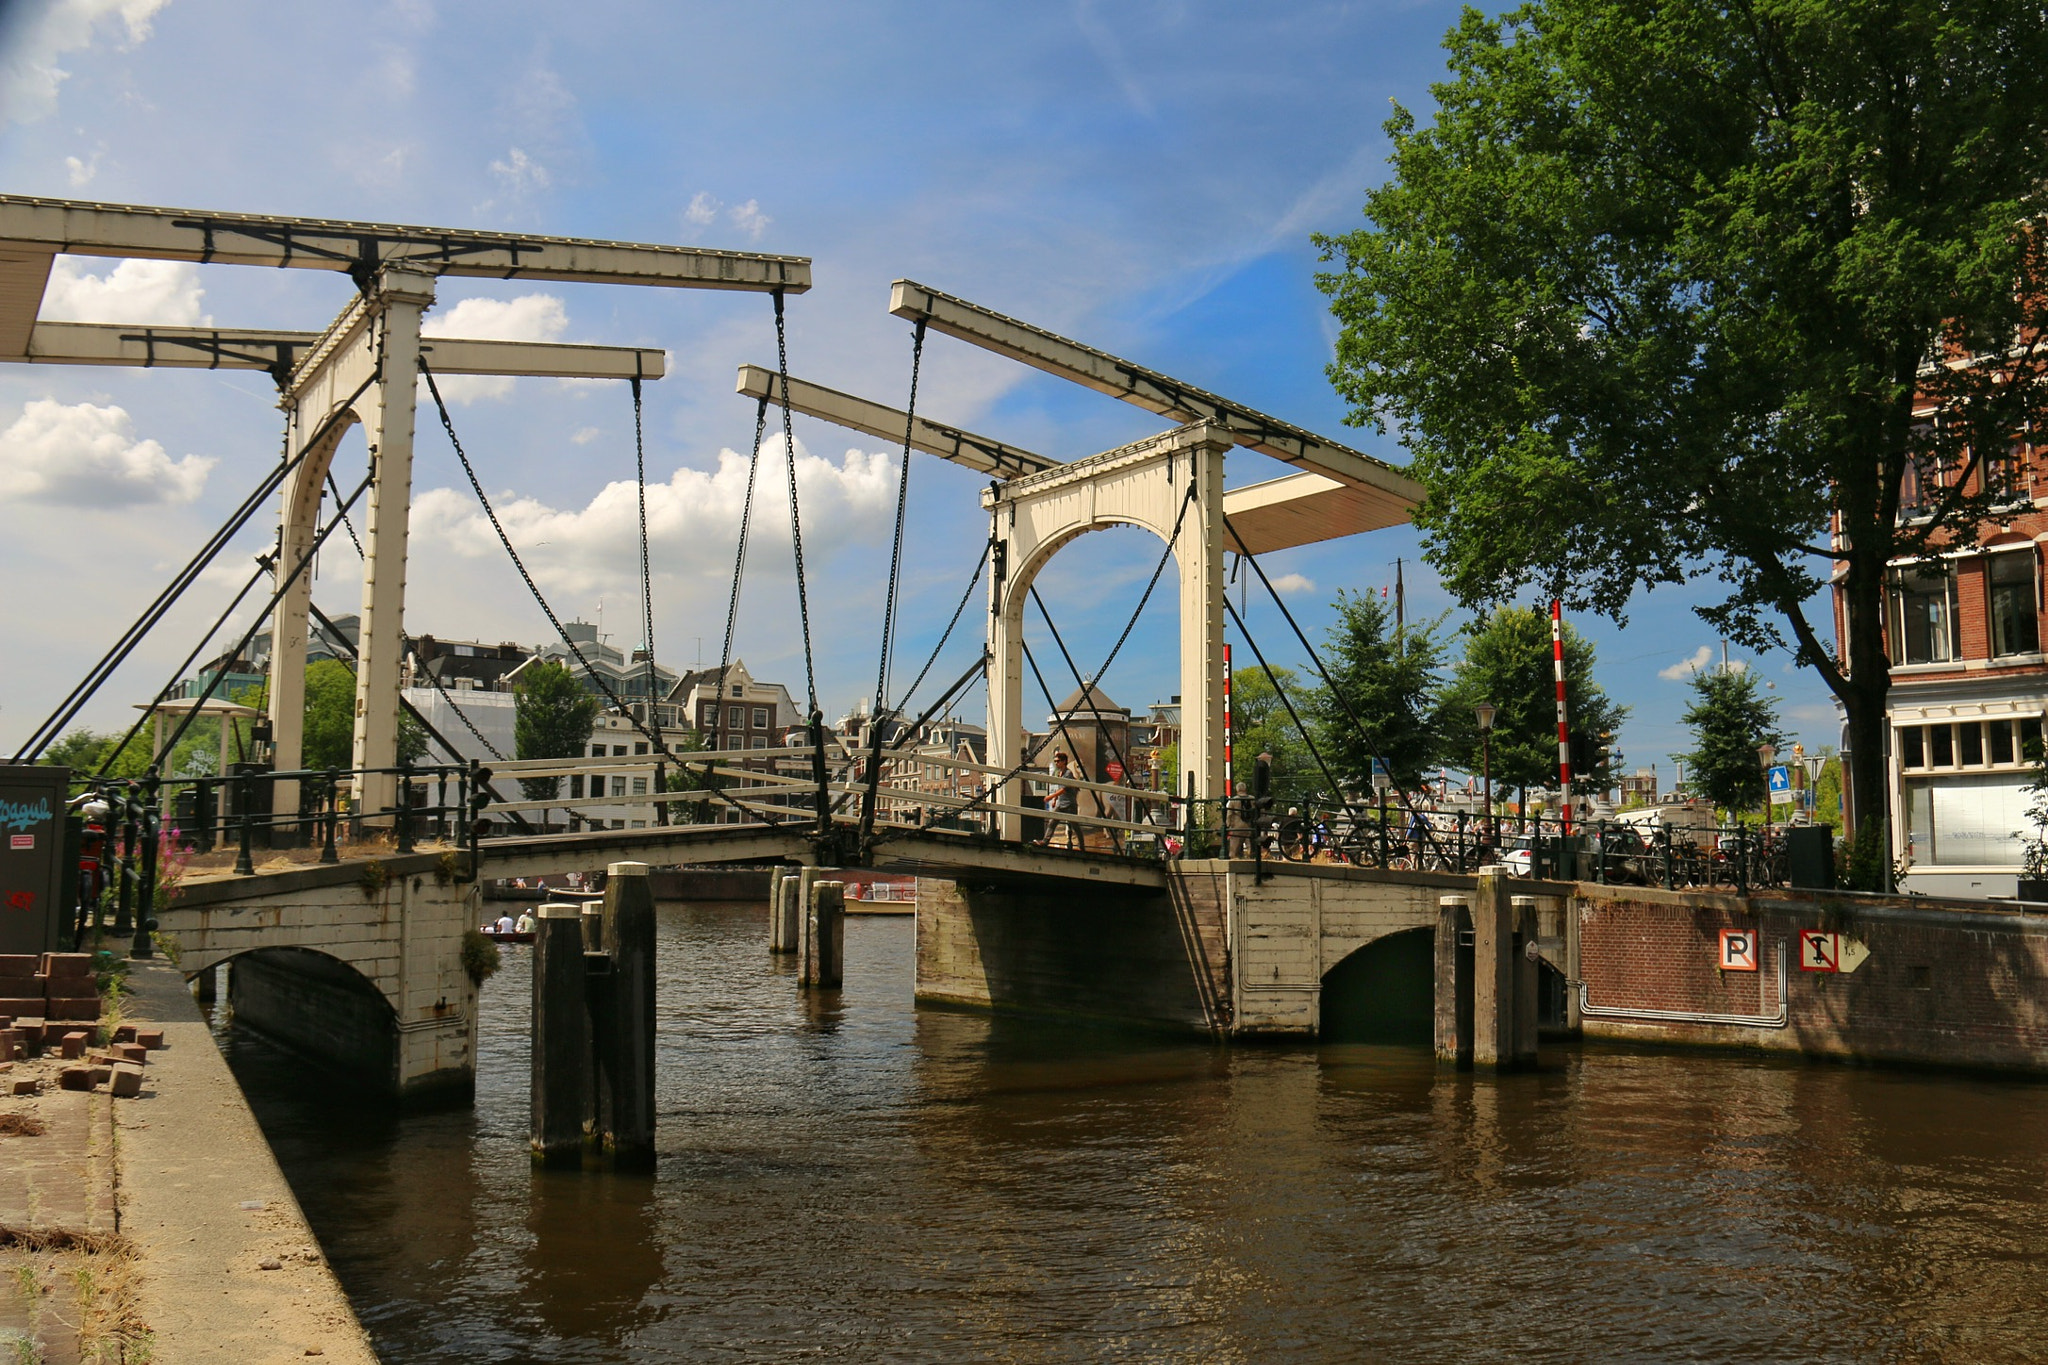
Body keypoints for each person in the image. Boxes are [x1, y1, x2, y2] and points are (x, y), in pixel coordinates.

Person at [1040, 751, 1081, 849]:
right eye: (1055, 761)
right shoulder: (1060, 773)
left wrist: (1050, 797)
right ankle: (1045, 842)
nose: (1056, 763)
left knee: (1075, 826)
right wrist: (1055, 800)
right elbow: (1060, 788)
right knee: (1052, 822)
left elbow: (1063, 789)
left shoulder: (1068, 773)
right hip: (1062, 803)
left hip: (1069, 804)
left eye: (1058, 761)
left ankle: (1082, 845)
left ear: (1064, 762)